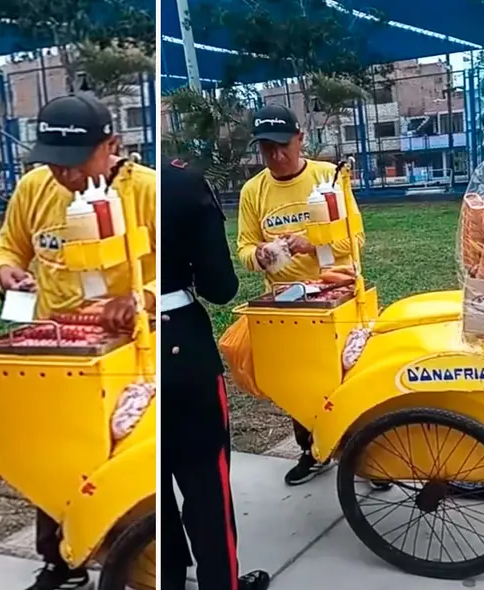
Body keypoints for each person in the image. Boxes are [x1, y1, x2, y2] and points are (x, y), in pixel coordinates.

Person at [0, 93, 156, 590]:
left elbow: (177, 264)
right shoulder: (34, 189)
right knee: (55, 452)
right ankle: (62, 558)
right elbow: (8, 244)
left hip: (130, 349)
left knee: (125, 454)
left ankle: (145, 548)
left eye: (76, 163)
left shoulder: (146, 192)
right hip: (60, 346)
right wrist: (7, 270)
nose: (65, 176)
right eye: (54, 164)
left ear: (112, 144)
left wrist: (140, 296)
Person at [237, 104, 364, 486]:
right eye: (266, 149)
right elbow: (243, 248)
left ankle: (364, 452)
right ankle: (311, 449)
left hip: (337, 294)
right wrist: (259, 256)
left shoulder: (328, 178)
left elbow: (355, 238)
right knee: (298, 381)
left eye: (282, 146)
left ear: (300, 139)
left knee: (348, 376)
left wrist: (314, 243)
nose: (276, 156)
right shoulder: (253, 191)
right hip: (286, 302)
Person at [161, 158, 272, 590]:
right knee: (206, 488)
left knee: (152, 493)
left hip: (125, 351)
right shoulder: (183, 186)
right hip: (182, 351)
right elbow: (220, 287)